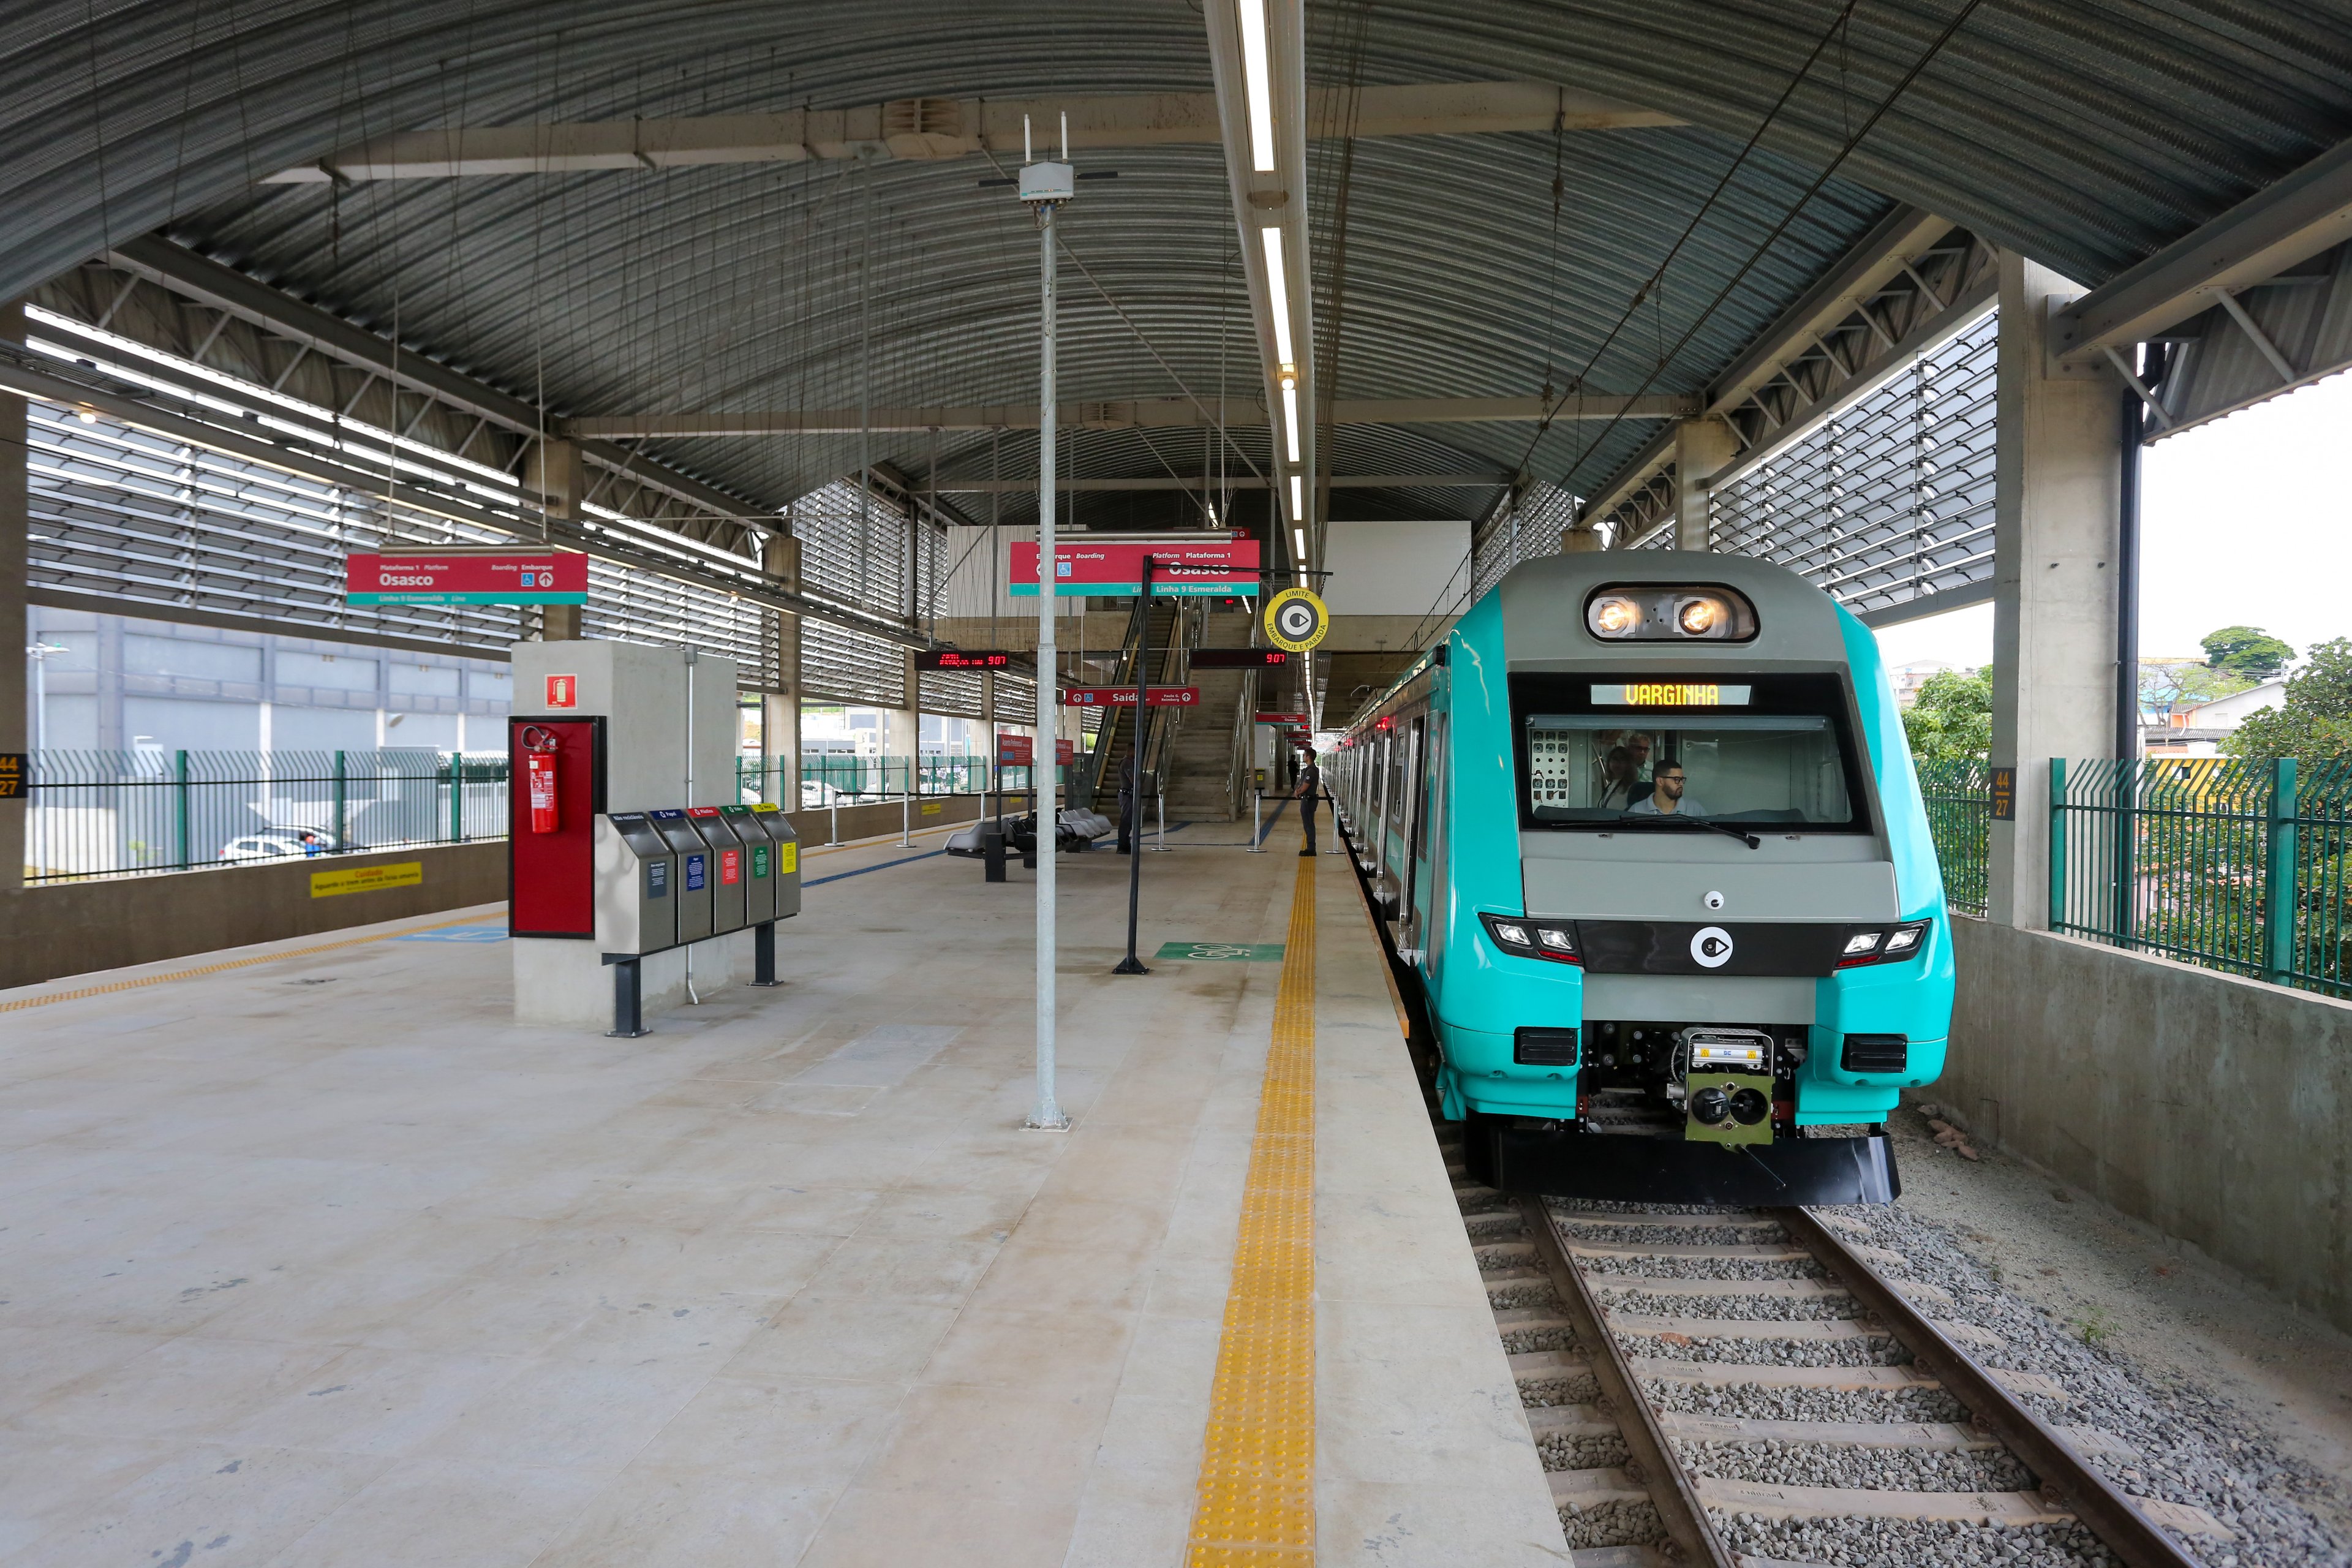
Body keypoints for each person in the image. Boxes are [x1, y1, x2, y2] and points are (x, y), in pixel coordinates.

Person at [1627, 761, 1708, 818]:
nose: (1681, 784)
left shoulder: (1695, 809)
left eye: (1682, 779)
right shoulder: (1636, 811)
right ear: (1660, 781)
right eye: (1676, 779)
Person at [1294, 752, 1324, 857]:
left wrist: (1298, 792)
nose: (1303, 757)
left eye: (1304, 755)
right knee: (1309, 824)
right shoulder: (1311, 770)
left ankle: (1311, 848)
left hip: (1308, 801)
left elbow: (1305, 787)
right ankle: (1310, 847)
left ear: (1308, 757)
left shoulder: (1311, 771)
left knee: (1309, 825)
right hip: (1308, 800)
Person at [1596, 745, 1640, 811]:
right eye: (1615, 759)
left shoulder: (1633, 788)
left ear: (1629, 764)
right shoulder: (1610, 785)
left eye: (1622, 760)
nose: (1618, 763)